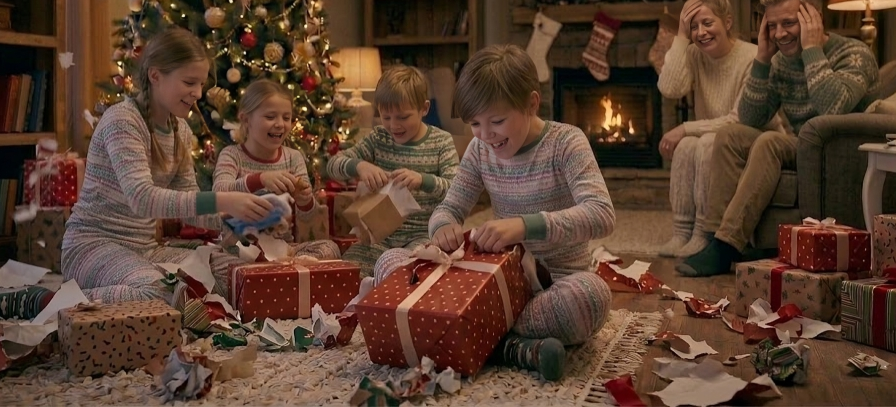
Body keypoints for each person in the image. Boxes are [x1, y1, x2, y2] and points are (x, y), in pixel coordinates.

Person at [374, 45, 615, 382]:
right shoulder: (479, 149)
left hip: (553, 284)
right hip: (492, 286)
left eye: (497, 121)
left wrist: (524, 226)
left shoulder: (566, 143)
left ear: (531, 104)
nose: (486, 135)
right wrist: (443, 226)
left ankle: (477, 338)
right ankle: (512, 346)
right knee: (388, 263)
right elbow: (450, 207)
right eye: (474, 123)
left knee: (590, 297)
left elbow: (601, 214)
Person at [50, 28, 276, 307]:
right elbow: (142, 199)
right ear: (155, 76)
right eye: (189, 82)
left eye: (201, 84)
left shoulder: (180, 130)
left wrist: (243, 221)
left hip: (144, 250)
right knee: (161, 292)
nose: (198, 93)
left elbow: (190, 207)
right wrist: (224, 199)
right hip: (92, 247)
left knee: (231, 277)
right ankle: (56, 301)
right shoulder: (122, 121)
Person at [676, 0, 880, 277]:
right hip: (803, 146)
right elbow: (750, 116)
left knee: (770, 142)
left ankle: (727, 247)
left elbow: (831, 109)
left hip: (838, 153)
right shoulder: (780, 61)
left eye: (789, 23)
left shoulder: (854, 53)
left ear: (814, 20)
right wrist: (761, 59)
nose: (780, 33)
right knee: (730, 135)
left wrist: (811, 49)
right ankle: (713, 237)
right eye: (772, 25)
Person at [656, 0, 784, 257]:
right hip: (713, 135)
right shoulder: (694, 54)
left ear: (726, 22)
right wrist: (680, 35)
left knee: (702, 143)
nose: (700, 33)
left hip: (752, 135)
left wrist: (685, 127)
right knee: (688, 145)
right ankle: (682, 232)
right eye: (693, 26)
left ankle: (704, 233)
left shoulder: (752, 57)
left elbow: (739, 119)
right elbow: (669, 88)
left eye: (707, 23)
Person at [326, 65, 459, 277]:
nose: (393, 125)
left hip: (422, 236)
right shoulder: (379, 138)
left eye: (402, 117)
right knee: (349, 271)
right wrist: (360, 166)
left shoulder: (441, 141)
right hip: (378, 236)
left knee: (409, 273)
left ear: (424, 109)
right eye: (386, 117)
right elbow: (333, 165)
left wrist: (423, 180)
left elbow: (456, 189)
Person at [213, 78, 340, 260]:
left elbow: (308, 216)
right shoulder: (232, 155)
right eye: (270, 117)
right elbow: (220, 194)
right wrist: (260, 179)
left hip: (282, 249)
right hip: (240, 247)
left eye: (286, 118)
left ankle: (282, 270)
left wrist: (305, 201)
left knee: (329, 248)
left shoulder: (293, 157)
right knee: (221, 261)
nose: (280, 124)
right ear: (246, 119)